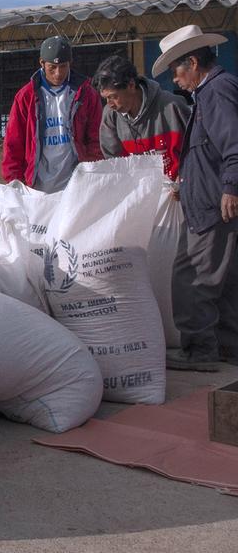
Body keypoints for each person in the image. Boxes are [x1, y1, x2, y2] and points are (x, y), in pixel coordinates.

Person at [151, 25, 238, 371]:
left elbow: (232, 144)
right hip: (210, 199)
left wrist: (231, 186)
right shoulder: (210, 93)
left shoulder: (216, 92)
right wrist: (184, 185)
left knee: (192, 277)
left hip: (213, 205)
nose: (175, 77)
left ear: (192, 62)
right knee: (225, 279)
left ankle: (199, 350)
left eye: (177, 69)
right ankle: (228, 347)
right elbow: (209, 152)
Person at [1, 36, 103, 192]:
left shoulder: (86, 94)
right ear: (42, 63)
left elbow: (96, 137)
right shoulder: (26, 97)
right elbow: (13, 143)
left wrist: (92, 173)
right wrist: (15, 181)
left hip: (76, 185)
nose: (58, 73)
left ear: (70, 63)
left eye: (63, 66)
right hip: (37, 187)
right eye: (52, 68)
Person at [93, 55, 190, 181]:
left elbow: (195, 153)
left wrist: (183, 180)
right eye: (105, 98)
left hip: (179, 191)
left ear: (131, 85)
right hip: (139, 193)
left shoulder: (172, 107)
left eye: (113, 96)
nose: (109, 104)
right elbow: (114, 164)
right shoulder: (110, 116)